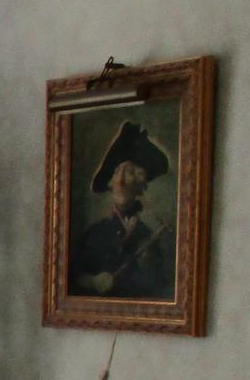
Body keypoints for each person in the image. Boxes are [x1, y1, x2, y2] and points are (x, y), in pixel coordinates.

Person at [71, 120, 174, 299]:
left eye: (131, 173)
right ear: (110, 183)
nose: (121, 182)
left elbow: (158, 288)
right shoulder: (94, 234)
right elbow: (70, 277)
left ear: (142, 186)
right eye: (117, 173)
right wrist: (92, 281)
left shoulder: (149, 236)